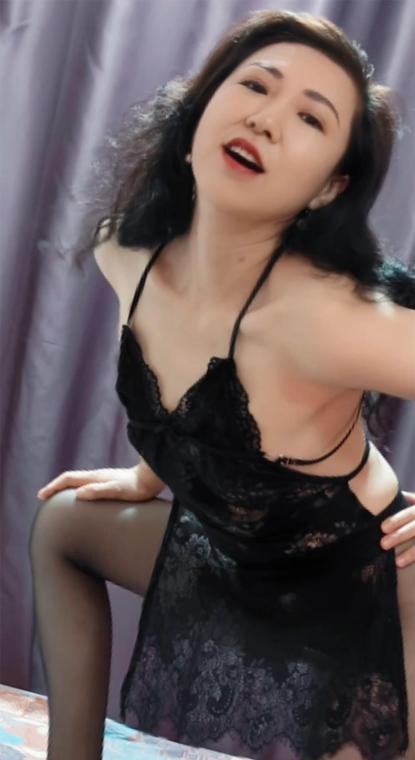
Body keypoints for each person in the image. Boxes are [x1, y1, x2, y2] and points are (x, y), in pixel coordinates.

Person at [30, 9, 415, 760]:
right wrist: (147, 476)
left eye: (310, 117)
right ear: (198, 113)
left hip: (358, 593)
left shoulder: (330, 320)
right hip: (231, 561)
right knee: (65, 522)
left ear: (327, 187)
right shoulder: (127, 255)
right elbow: (185, 400)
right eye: (255, 86)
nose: (265, 120)